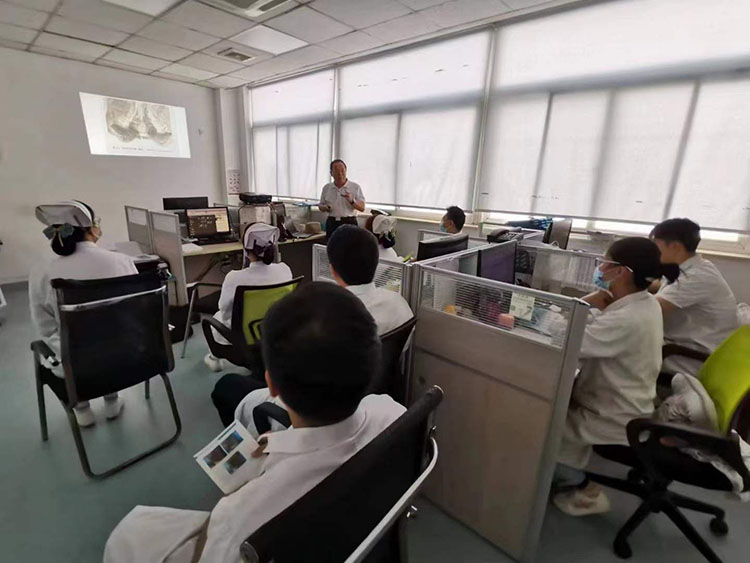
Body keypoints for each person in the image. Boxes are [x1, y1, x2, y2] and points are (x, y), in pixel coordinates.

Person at [103, 282, 406, 563]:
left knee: (129, 533)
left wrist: (239, 497)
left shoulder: (242, 520)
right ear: (373, 366)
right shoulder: (394, 414)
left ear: (271, 384)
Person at [230, 225, 414, 434]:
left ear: (332, 269)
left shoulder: (326, 319)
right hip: (367, 395)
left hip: (315, 406)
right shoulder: (399, 304)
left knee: (229, 386)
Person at [553, 237, 680, 516]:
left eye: (603, 262)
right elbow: (595, 328)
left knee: (540, 427)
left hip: (612, 415)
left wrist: (575, 306)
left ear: (620, 271)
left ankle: (584, 489)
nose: (599, 268)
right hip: (623, 402)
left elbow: (565, 340)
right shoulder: (642, 303)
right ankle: (572, 476)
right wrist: (588, 304)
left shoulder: (629, 317)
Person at [29, 200, 138, 427]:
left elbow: (44, 327)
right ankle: (112, 400)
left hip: (75, 366)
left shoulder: (43, 270)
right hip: (127, 358)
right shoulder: (122, 262)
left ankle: (81, 407)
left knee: (67, 342)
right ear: (92, 228)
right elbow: (134, 313)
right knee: (111, 334)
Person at [650, 218, 738, 377]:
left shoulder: (696, 277)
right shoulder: (695, 266)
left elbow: (650, 310)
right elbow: (662, 286)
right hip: (683, 345)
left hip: (689, 356)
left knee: (620, 348)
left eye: (655, 245)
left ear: (675, 246)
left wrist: (616, 293)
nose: (651, 251)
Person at [204, 223, 292, 372]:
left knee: (216, 317)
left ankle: (214, 357)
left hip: (244, 340)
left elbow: (224, 310)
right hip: (275, 332)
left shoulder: (234, 278)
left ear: (246, 249)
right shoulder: (284, 269)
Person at [318, 159, 365, 239]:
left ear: (346, 170)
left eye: (342, 170)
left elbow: (362, 208)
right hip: (332, 222)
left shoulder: (355, 187)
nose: (340, 173)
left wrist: (352, 201)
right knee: (332, 245)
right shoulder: (327, 187)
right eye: (336, 171)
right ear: (331, 173)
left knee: (350, 246)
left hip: (349, 222)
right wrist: (324, 207)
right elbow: (320, 205)